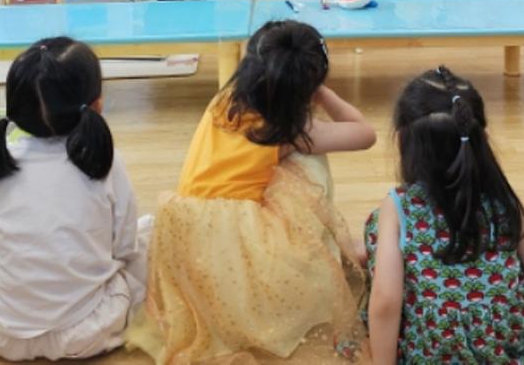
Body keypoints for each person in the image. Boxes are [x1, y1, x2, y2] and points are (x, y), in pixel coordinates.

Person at [126, 20, 376, 362]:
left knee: (285, 166)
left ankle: (335, 252)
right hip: (239, 250)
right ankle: (331, 254)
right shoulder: (290, 130)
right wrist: (324, 92)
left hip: (189, 240)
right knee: (308, 168)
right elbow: (365, 133)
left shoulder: (225, 100)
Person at [366, 66, 524, 365]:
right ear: (481, 138)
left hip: (433, 350)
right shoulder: (501, 195)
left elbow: (385, 301)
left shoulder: (399, 205)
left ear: (401, 141)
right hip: (502, 343)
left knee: (380, 227)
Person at [0, 36, 149, 360]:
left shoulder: (5, 160)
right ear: (97, 104)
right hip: (88, 333)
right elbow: (124, 247)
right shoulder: (103, 160)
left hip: (1, 333)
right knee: (146, 241)